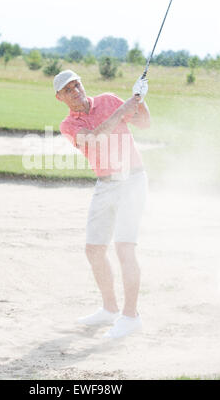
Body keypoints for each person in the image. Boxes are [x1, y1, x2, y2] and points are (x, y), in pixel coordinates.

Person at [54, 69, 150, 339]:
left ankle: (131, 317)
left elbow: (144, 123)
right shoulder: (68, 125)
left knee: (124, 248)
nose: (76, 90)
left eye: (77, 84)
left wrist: (140, 99)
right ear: (60, 97)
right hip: (105, 184)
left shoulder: (108, 99)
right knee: (94, 249)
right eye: (68, 89)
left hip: (132, 180)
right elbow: (94, 138)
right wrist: (123, 111)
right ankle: (110, 309)